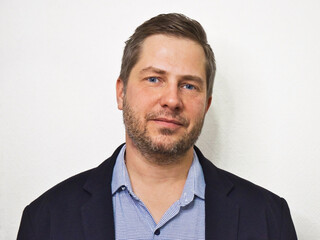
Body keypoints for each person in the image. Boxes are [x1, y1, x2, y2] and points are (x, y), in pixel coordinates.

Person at [17, 13, 297, 240]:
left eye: (189, 85)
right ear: (121, 93)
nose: (172, 100)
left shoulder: (269, 218)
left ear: (207, 104)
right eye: (154, 79)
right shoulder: (46, 218)